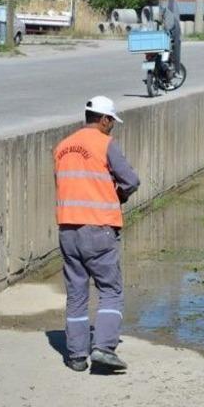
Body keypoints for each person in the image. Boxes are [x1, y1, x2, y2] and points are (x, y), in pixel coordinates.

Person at [54, 96, 140, 372]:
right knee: (110, 290)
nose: (112, 125)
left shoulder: (62, 147)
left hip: (68, 230)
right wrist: (119, 195)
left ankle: (77, 356)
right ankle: (104, 348)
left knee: (76, 292)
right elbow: (131, 180)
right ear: (103, 119)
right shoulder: (105, 144)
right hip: (99, 228)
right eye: (112, 120)